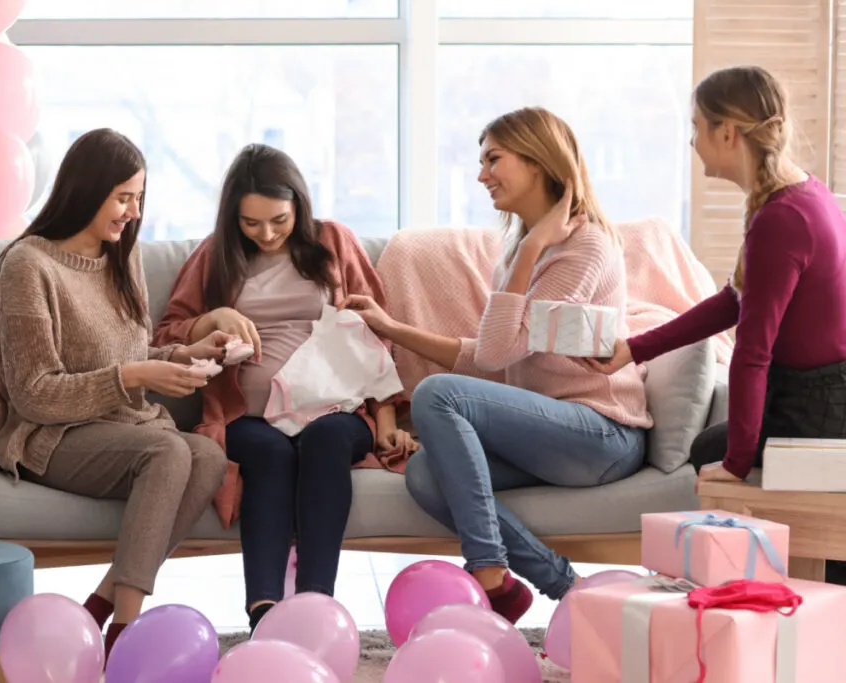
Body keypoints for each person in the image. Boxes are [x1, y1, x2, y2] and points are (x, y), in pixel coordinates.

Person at [342, 107, 652, 623]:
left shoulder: (584, 247)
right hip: (549, 431)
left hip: (601, 434)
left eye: (493, 159)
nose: (481, 174)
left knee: (438, 394)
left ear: (538, 161)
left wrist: (531, 247)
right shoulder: (520, 249)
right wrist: (390, 327)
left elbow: (490, 354)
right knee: (424, 473)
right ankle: (559, 582)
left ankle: (488, 569)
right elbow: (493, 361)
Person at [154, 143, 414, 631]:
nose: (267, 234)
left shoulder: (334, 242)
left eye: (278, 219)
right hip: (248, 418)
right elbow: (167, 332)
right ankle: (265, 611)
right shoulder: (216, 254)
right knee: (270, 455)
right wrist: (210, 318)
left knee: (326, 439)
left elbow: (376, 334)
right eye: (251, 224)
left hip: (336, 410)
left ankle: (316, 605)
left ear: (299, 203)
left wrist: (384, 421)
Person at [0, 128, 229, 656]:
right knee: (168, 449)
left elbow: (134, 354)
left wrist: (184, 357)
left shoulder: (123, 257)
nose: (133, 212)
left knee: (207, 456)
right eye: (123, 198)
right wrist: (135, 378)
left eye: (139, 198)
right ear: (86, 190)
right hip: (51, 437)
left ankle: (100, 601)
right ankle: (124, 632)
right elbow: (32, 394)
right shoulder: (29, 266)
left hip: (122, 429)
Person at [587, 67, 846, 533]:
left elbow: (752, 353)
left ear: (727, 133)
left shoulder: (782, 219)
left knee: (710, 453)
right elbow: (734, 302)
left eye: (696, 127)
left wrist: (737, 464)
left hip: (817, 408)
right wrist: (635, 347)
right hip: (820, 395)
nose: (692, 142)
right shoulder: (800, 193)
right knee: (710, 447)